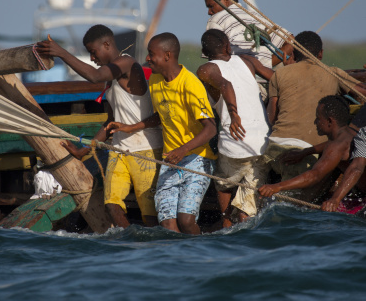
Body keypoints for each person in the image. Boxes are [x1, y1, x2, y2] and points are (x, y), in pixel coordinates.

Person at [36, 24, 163, 228]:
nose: (93, 59)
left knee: (150, 215)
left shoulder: (127, 63)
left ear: (107, 44)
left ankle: (150, 250)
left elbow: (94, 76)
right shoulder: (112, 80)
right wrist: (83, 150)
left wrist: (61, 53)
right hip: (119, 150)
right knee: (112, 206)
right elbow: (109, 124)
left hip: (145, 149)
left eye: (93, 53)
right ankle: (129, 244)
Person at [107, 32, 217, 235]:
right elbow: (161, 114)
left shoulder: (190, 84)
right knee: (167, 224)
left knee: (186, 221)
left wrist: (183, 150)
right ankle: (173, 263)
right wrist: (131, 127)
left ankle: (199, 256)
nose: (147, 58)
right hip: (171, 159)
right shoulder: (155, 80)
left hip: (197, 159)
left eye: (151, 54)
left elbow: (210, 128)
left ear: (167, 56)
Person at [264, 31, 366, 201]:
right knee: (295, 202)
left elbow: (271, 118)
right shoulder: (333, 73)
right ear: (321, 54)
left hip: (274, 146)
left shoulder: (280, 74)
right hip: (307, 152)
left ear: (294, 54)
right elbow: (361, 93)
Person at [197, 29, 272, 227]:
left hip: (236, 144)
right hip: (263, 143)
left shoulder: (206, 69)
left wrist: (233, 114)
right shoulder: (248, 61)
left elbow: (226, 84)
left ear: (204, 52)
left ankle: (226, 222)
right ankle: (243, 218)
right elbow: (276, 78)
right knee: (248, 205)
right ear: (228, 46)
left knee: (222, 182)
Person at [203, 0, 294, 100]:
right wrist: (266, 65)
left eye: (211, 6)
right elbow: (291, 40)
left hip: (241, 87)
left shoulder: (215, 20)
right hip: (269, 87)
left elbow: (215, 62)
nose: (209, 12)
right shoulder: (255, 16)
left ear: (225, 1)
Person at [259, 95, 358, 202]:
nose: (315, 122)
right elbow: (329, 145)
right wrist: (304, 152)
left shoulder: (336, 145)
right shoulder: (348, 134)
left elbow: (315, 175)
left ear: (330, 121)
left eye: (318, 118)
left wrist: (277, 187)